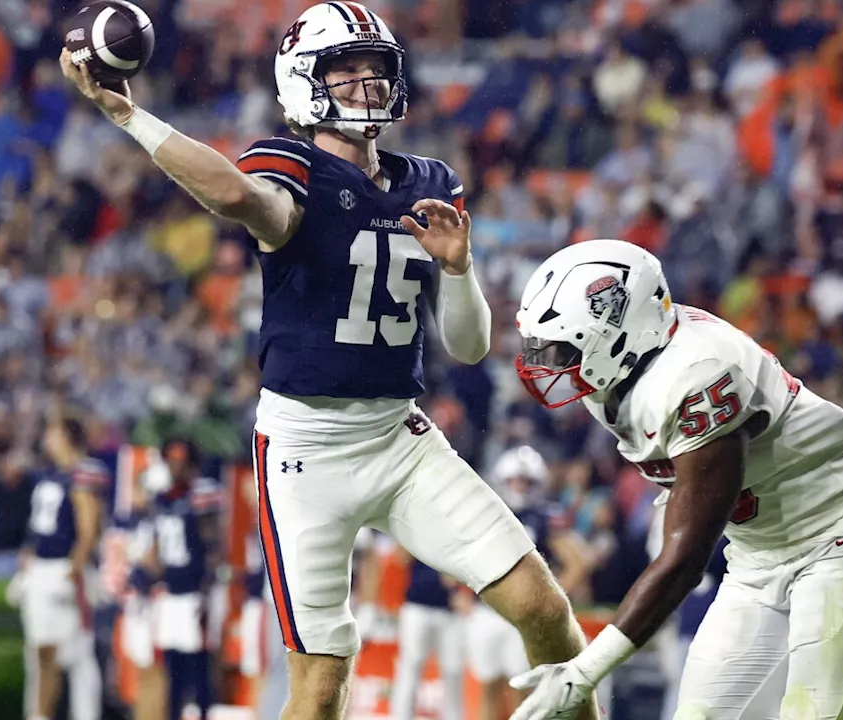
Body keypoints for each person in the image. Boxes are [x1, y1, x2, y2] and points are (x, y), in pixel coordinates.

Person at [59, 4, 595, 718]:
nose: (368, 80)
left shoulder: (429, 180)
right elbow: (235, 195)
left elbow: (467, 347)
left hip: (400, 438)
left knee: (543, 605)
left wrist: (460, 271)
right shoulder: (292, 166)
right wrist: (131, 117)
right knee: (318, 688)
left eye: (376, 65)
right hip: (306, 450)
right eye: (347, 66)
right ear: (302, 79)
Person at [509, 239, 843, 719]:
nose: (549, 363)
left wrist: (585, 669)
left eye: (562, 348)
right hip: (756, 558)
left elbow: (685, 558)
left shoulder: (697, 373)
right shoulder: (626, 368)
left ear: (618, 335)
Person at [467, 447, 588, 720]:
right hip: (486, 610)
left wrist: (550, 599)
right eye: (514, 480)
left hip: (522, 617)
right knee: (488, 686)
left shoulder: (544, 517)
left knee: (522, 691)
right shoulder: (488, 513)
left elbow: (577, 562)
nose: (520, 487)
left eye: (526, 482)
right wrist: (460, 591)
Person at [15, 418, 106, 720]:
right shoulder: (50, 473)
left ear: (68, 436)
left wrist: (76, 566)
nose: (48, 438)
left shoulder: (83, 472)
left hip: (64, 569)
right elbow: (39, 525)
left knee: (77, 655)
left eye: (54, 432)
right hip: (41, 568)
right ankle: (38, 714)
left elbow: (88, 527)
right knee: (40, 651)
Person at [145, 438, 223, 720]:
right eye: (172, 461)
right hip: (170, 591)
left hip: (195, 593)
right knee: (173, 668)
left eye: (182, 462)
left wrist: (208, 585)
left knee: (198, 668)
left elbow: (213, 543)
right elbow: (156, 543)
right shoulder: (163, 498)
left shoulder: (202, 495)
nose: (176, 468)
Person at [390, 555, 466, 720]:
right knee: (410, 667)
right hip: (417, 605)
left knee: (453, 671)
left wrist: (459, 577)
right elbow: (400, 557)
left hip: (450, 610)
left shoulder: (456, 529)